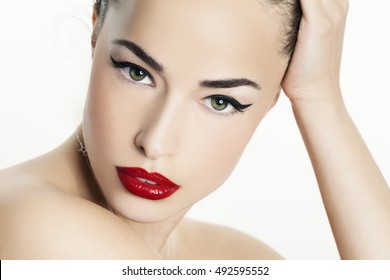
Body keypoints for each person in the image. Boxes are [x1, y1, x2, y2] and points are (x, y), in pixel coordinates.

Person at [0, 0, 389, 259]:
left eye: (221, 101)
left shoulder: (236, 256)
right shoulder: (36, 225)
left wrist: (319, 96)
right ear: (95, 32)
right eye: (137, 73)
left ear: (273, 99)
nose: (155, 142)